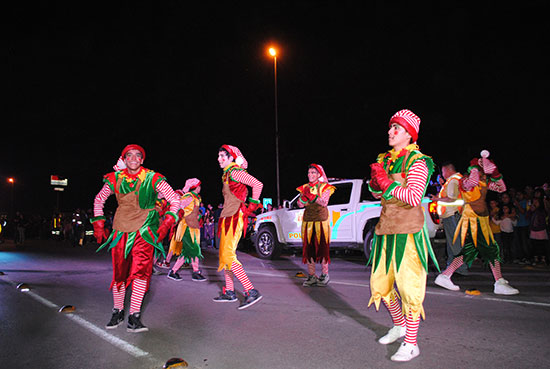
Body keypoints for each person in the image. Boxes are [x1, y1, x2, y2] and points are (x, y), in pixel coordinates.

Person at [368, 109, 437, 362]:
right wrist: (375, 185)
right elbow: (379, 195)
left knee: (409, 289)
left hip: (408, 232)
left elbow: (413, 197)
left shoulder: (418, 161)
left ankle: (412, 342)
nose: (390, 132)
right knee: (381, 286)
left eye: (396, 128)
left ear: (409, 134)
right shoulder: (386, 159)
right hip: (385, 230)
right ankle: (399, 325)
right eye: (390, 128)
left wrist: (386, 183)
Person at [91, 144, 180, 332]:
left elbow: (175, 200)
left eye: (137, 155)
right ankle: (118, 311)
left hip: (145, 231)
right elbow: (99, 199)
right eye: (129, 155)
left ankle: (134, 315)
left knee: (141, 272)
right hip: (120, 231)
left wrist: (166, 223)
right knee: (119, 274)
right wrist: (99, 223)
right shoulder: (114, 178)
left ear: (142, 160)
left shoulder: (153, 178)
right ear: (124, 159)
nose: (133, 158)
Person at [434, 151, 519, 295]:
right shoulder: (465, 180)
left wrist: (496, 173)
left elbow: (501, 188)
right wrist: (475, 166)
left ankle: (445, 276)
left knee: (468, 252)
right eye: (483, 171)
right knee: (492, 249)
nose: (485, 174)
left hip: (482, 219)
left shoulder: (483, 181)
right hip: (472, 220)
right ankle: (499, 281)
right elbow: (471, 184)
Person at [213, 144, 264, 309]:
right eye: (219, 156)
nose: (219, 159)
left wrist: (253, 205)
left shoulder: (235, 172)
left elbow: (257, 184)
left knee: (228, 255)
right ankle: (230, 292)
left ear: (231, 158)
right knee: (225, 257)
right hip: (227, 217)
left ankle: (251, 291)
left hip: (235, 217)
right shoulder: (227, 174)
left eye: (223, 156)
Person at [297, 164, 335, 286]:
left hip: (321, 221)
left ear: (319, 175)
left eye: (313, 172)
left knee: (322, 249)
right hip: (308, 222)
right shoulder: (304, 187)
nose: (310, 175)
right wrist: (303, 198)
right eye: (309, 172)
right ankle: (312, 276)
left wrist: (312, 196)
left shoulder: (325, 187)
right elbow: (299, 204)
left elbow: (324, 202)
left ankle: (324, 275)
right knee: (309, 250)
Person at [430, 163, 468, 274]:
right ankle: (452, 268)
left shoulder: (453, 180)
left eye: (443, 172)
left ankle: (460, 269)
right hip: (454, 215)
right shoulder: (456, 179)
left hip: (452, 215)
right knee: (453, 244)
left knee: (455, 244)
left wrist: (436, 199)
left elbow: (451, 198)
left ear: (447, 170)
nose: (442, 174)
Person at [167, 178, 207, 282]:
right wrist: (176, 216)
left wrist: (198, 217)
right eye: (199, 186)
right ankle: (195, 272)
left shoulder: (196, 198)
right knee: (194, 249)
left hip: (193, 227)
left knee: (190, 250)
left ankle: (175, 271)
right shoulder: (188, 197)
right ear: (197, 187)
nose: (200, 188)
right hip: (186, 227)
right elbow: (178, 207)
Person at [527, 197, 549, 265]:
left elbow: (546, 213)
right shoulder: (532, 210)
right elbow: (527, 217)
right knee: (534, 245)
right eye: (533, 202)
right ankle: (535, 258)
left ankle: (543, 259)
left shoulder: (542, 210)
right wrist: (531, 210)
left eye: (536, 202)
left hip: (541, 229)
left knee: (542, 245)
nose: (534, 203)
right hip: (533, 230)